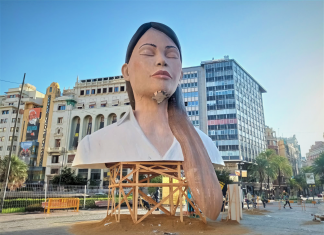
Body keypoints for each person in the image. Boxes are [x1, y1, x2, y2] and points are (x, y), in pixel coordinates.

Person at [72, 22, 225, 220]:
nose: (162, 60)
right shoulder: (93, 144)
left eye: (171, 55)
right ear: (126, 71)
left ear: (181, 76)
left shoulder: (205, 145)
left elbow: (213, 210)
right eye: (148, 52)